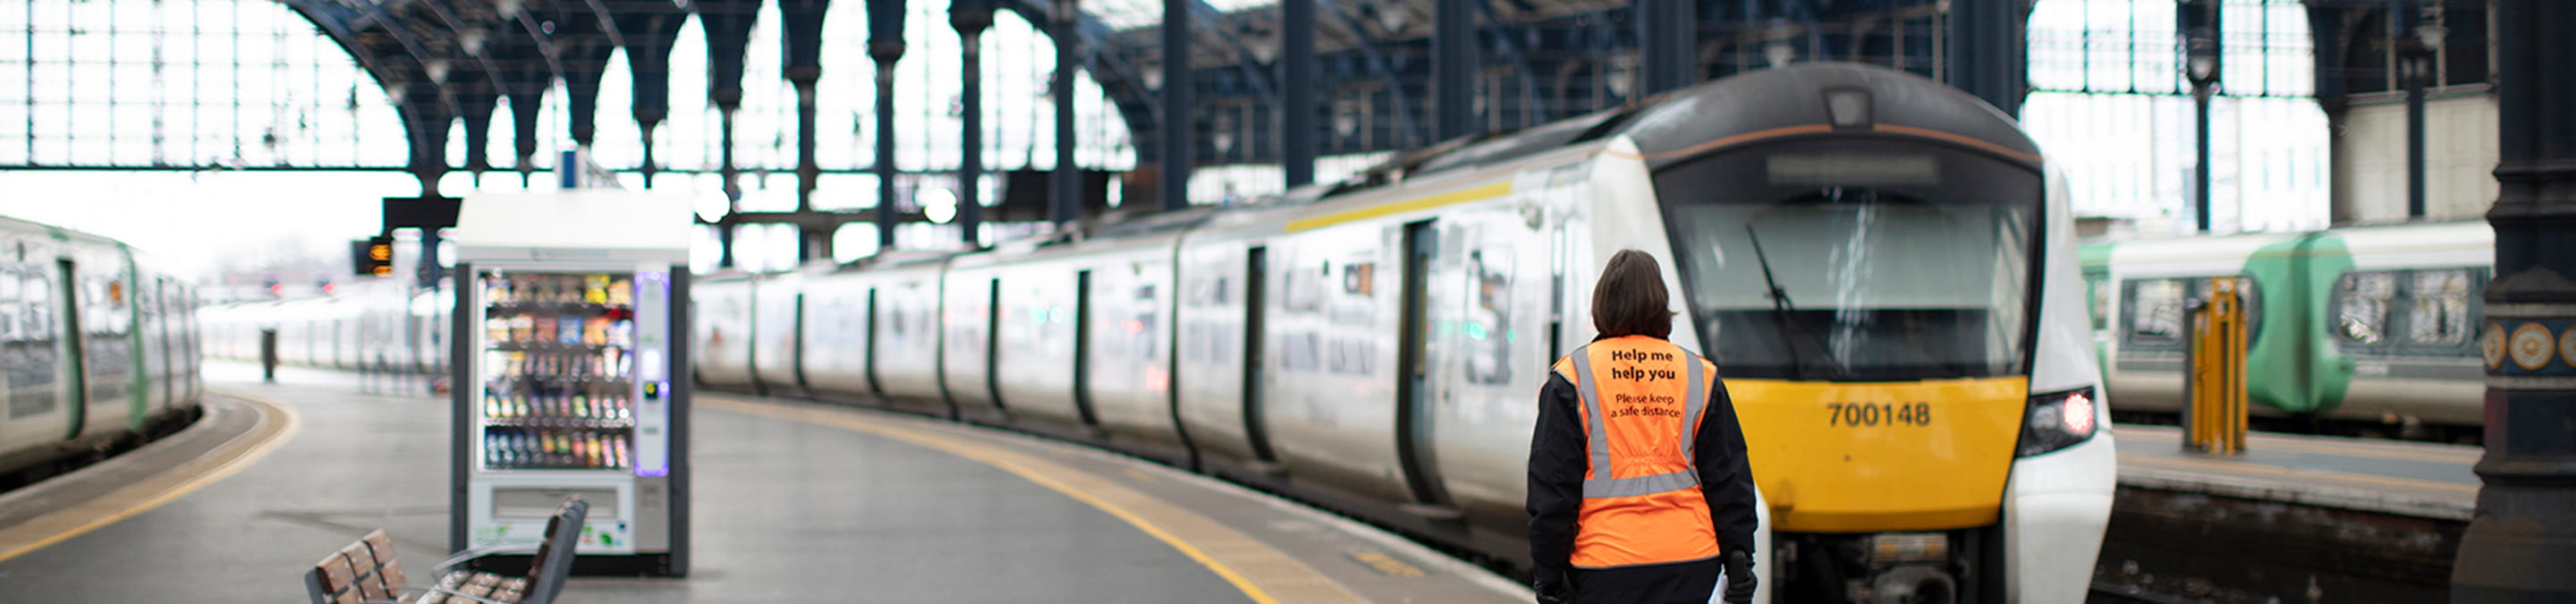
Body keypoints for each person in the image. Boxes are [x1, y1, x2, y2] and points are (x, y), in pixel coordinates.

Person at [1528, 250, 1758, 604]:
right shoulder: (1699, 374)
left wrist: (1548, 575)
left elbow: (1553, 489)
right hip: (1691, 559)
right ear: (1661, 305)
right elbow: (1729, 478)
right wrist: (1740, 559)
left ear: (1600, 305)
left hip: (1603, 563)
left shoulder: (1572, 377)